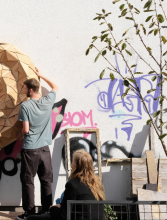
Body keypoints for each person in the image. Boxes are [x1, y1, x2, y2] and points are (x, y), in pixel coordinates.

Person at [17, 67, 58, 220]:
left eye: (25, 88)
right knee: (46, 180)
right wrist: (42, 75)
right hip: (45, 149)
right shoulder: (47, 101)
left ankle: (29, 213)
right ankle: (47, 211)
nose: (24, 91)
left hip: (30, 149)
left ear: (31, 89)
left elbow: (26, 130)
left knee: (28, 181)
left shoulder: (25, 106)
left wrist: (19, 134)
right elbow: (55, 87)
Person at [27, 150, 105, 220]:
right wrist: (61, 205)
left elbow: (63, 216)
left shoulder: (72, 185)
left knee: (32, 218)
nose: (71, 163)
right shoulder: (97, 183)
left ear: (75, 166)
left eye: (73, 161)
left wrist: (52, 208)